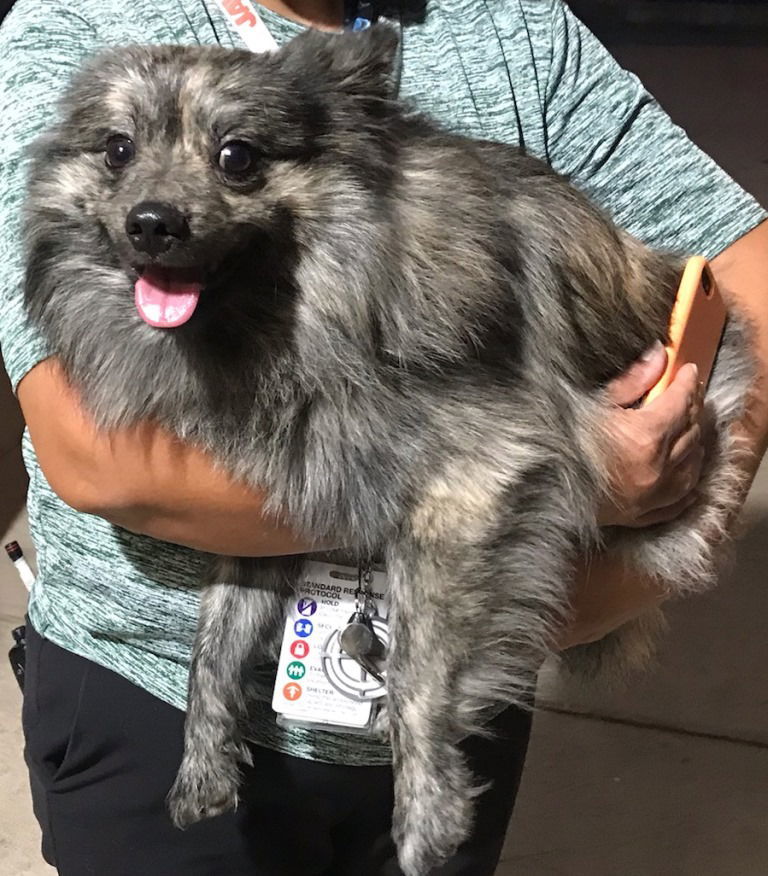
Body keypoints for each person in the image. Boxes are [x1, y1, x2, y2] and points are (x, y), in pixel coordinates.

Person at [1, 0, 766, 874]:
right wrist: (560, 482)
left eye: (236, 160)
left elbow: (749, 281)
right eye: (119, 152)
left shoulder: (509, 25)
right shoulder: (72, 19)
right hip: (139, 694)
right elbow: (98, 464)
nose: (157, 206)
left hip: (447, 696)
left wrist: (642, 547)